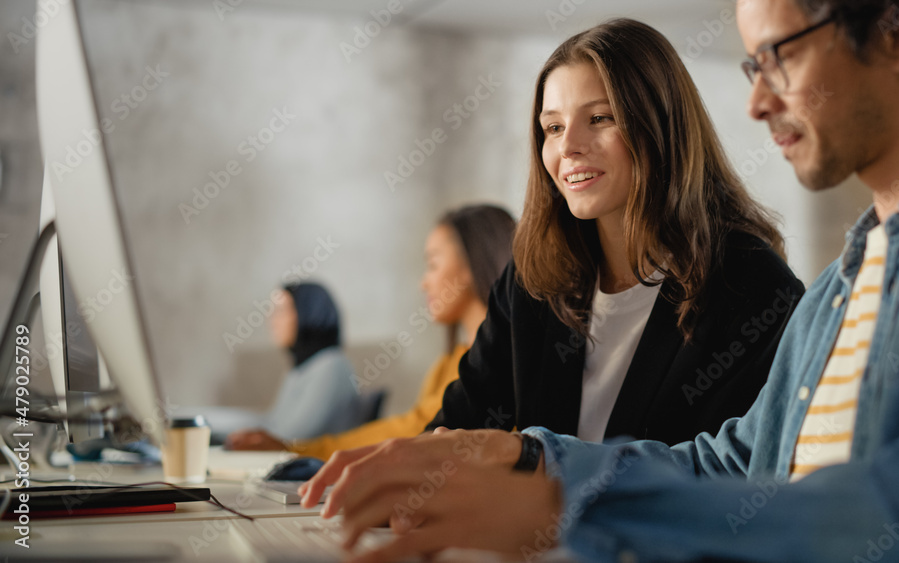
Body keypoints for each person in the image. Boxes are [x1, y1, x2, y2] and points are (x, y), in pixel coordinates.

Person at [298, 4, 899, 563]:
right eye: (751, 65)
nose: (756, 102)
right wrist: (532, 454)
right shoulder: (837, 290)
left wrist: (568, 514)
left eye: (778, 56)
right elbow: (729, 463)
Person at [420, 11, 804, 450]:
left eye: (600, 118)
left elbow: (733, 475)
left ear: (661, 126)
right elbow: (453, 429)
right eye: (553, 127)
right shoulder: (533, 279)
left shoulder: (751, 285)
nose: (568, 147)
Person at [225, 205, 517, 455]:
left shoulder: (496, 365)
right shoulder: (448, 362)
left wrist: (298, 451)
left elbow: (414, 429)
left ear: (471, 263)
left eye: (433, 264)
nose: (423, 282)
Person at [215, 282, 364, 445]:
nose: (271, 320)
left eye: (280, 312)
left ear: (307, 313)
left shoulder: (332, 365)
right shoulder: (301, 367)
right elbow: (273, 423)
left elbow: (291, 437)